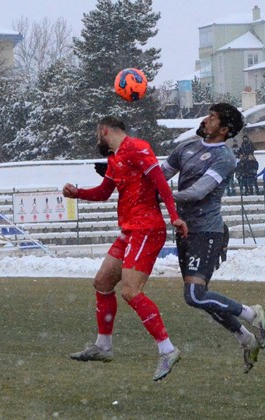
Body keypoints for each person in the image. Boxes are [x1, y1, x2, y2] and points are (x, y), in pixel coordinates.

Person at [63, 115, 188, 381]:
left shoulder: (137, 147)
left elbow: (160, 183)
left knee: (131, 292)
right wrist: (78, 193)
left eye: (98, 133)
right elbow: (104, 192)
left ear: (104, 130)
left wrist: (174, 215)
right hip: (130, 230)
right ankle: (103, 346)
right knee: (102, 282)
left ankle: (167, 350)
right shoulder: (116, 158)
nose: (97, 138)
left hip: (147, 229)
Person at [160, 103, 265, 373]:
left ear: (224, 129)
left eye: (212, 117)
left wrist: (162, 195)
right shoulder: (185, 148)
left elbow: (199, 192)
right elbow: (159, 176)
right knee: (201, 297)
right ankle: (246, 338)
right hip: (185, 231)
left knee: (195, 296)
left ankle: (251, 313)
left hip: (207, 233)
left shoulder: (224, 158)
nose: (205, 120)